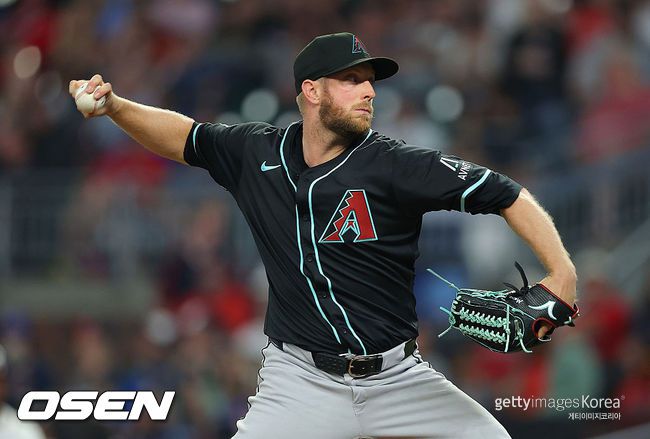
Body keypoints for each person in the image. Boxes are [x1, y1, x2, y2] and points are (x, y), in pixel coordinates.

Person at [69, 32, 577, 439]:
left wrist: (563, 272)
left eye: (370, 82)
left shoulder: (395, 164)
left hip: (398, 379)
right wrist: (116, 107)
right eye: (352, 80)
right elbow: (183, 136)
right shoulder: (256, 152)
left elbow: (507, 193)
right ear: (311, 91)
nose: (369, 91)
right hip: (299, 382)